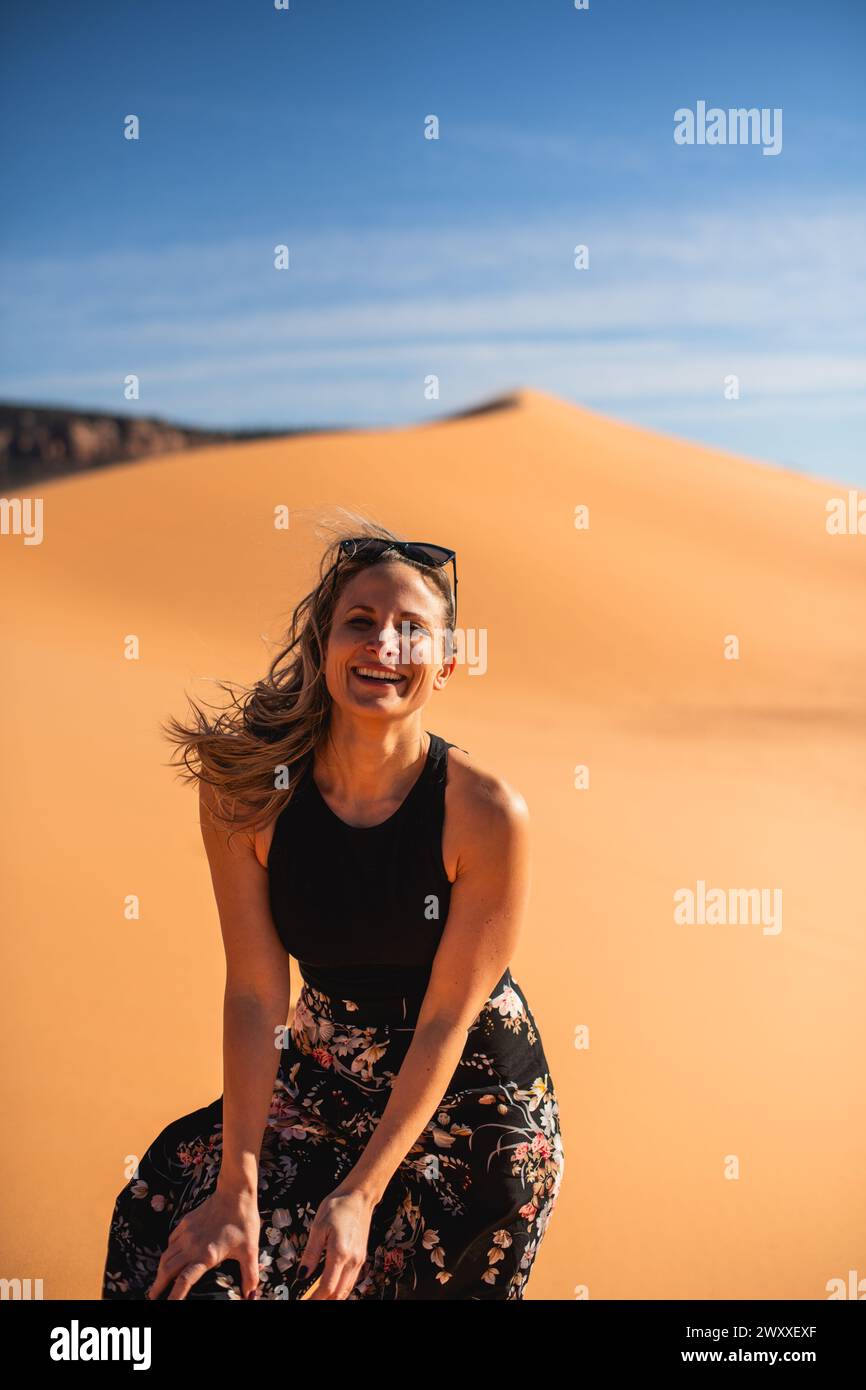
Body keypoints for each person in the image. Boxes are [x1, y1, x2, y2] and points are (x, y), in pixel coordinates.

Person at [101, 522, 565, 1301]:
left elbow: (450, 1018)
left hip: (475, 1114)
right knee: (185, 1257)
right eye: (361, 620)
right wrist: (236, 1190)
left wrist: (361, 1192)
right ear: (326, 645)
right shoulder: (249, 792)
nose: (384, 642)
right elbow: (254, 992)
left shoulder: (485, 814)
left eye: (412, 629)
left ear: (446, 665)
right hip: (321, 1080)